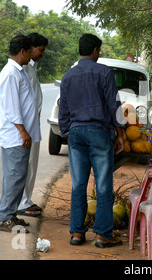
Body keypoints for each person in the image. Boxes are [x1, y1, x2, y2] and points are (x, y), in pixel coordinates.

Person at [58, 33, 124, 247]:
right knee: (103, 186)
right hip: (99, 133)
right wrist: (120, 133)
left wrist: (68, 132)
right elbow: (114, 106)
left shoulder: (68, 76)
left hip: (76, 134)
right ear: (95, 50)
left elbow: (63, 111)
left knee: (78, 185)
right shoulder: (104, 72)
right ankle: (103, 235)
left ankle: (77, 233)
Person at [0, 35, 41, 233]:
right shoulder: (11, 74)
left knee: (17, 176)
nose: (32, 55)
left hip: (19, 135)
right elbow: (12, 108)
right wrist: (23, 131)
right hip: (15, 136)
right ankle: (4, 217)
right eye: (30, 51)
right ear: (23, 52)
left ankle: (10, 215)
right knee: (15, 176)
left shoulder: (18, 72)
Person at [17, 33, 48, 218]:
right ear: (30, 48)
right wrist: (22, 129)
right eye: (40, 50)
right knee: (24, 164)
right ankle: (21, 202)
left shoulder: (32, 67)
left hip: (33, 122)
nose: (42, 54)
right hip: (26, 124)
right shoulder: (22, 69)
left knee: (32, 163)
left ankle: (26, 200)